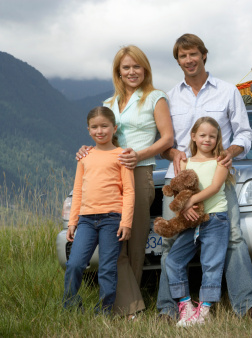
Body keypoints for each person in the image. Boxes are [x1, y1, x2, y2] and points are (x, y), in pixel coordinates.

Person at [157, 33, 252, 321]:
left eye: (193, 54)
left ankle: (248, 305)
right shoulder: (170, 97)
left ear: (203, 55)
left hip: (217, 183)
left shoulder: (227, 91)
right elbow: (162, 141)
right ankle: (168, 309)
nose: (188, 60)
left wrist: (232, 151)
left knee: (234, 239)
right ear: (178, 61)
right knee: (170, 244)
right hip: (179, 185)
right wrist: (172, 153)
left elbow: (245, 133)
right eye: (182, 56)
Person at [76, 45, 174, 318]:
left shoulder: (156, 98)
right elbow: (102, 135)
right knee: (112, 244)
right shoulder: (108, 104)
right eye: (126, 68)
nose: (131, 72)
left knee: (134, 242)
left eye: (136, 67)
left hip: (140, 173)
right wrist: (87, 150)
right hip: (108, 178)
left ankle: (126, 308)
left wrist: (139, 154)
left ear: (145, 69)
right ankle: (129, 307)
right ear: (118, 72)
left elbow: (167, 138)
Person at [63, 107, 135, 315]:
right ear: (88, 130)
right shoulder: (84, 157)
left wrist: (126, 222)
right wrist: (72, 222)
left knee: (107, 268)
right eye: (94, 127)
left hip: (112, 220)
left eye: (104, 126)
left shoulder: (121, 155)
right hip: (85, 220)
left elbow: (129, 191)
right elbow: (78, 191)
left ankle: (104, 311)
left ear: (114, 128)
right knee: (75, 264)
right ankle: (70, 307)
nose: (100, 131)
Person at [166, 116, 231, 326]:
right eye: (202, 135)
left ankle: (204, 311)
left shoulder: (220, 161)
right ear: (193, 136)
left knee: (211, 264)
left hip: (215, 218)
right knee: (174, 259)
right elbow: (180, 189)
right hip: (191, 221)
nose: (207, 139)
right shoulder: (185, 161)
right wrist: (185, 208)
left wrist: (189, 201)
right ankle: (185, 306)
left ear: (217, 139)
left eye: (212, 136)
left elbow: (213, 187)